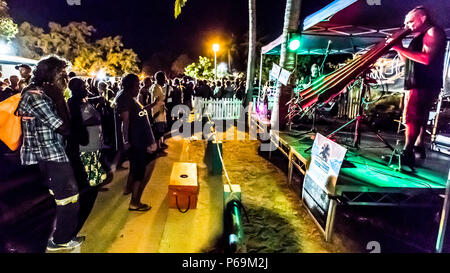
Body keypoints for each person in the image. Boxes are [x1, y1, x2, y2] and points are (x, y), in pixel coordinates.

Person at [15, 55, 84, 251]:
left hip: (54, 153)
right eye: (62, 74)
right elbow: (64, 128)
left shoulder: (47, 93)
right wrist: (60, 98)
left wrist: (59, 96)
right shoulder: (35, 95)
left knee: (63, 198)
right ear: (51, 74)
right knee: (69, 199)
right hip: (50, 156)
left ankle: (60, 235)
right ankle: (60, 240)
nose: (66, 78)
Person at [392, 6, 446, 167]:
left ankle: (407, 151)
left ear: (423, 18)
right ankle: (417, 147)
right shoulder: (419, 36)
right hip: (417, 80)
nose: (407, 25)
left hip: (424, 82)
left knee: (413, 116)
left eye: (410, 21)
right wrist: (399, 47)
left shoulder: (433, 32)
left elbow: (426, 59)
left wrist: (400, 48)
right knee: (417, 116)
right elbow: (408, 61)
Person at [115, 73, 162, 211]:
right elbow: (125, 122)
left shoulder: (130, 98)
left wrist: (152, 105)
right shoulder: (125, 99)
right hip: (137, 142)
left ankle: (128, 189)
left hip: (139, 141)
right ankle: (135, 202)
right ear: (131, 86)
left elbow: (140, 111)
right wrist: (126, 141)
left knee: (135, 168)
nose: (139, 87)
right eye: (137, 85)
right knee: (140, 172)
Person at [66, 77, 106, 235]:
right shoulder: (72, 102)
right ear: (74, 88)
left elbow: (90, 107)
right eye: (82, 85)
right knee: (89, 181)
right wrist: (94, 120)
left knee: (94, 176)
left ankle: (91, 205)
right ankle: (83, 217)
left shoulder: (83, 99)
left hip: (93, 143)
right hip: (85, 146)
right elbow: (77, 123)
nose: (85, 87)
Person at [150, 71, 168, 154]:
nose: (165, 80)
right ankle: (157, 148)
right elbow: (155, 102)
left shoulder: (158, 87)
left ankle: (160, 145)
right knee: (158, 132)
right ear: (159, 79)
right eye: (164, 78)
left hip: (161, 112)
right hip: (158, 113)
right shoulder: (156, 88)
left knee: (161, 131)